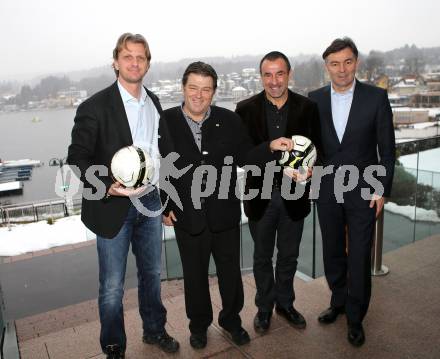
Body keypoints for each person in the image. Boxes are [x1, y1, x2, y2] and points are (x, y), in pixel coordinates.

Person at [160, 61, 291, 349]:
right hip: (186, 215)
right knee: (194, 278)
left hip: (225, 214)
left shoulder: (229, 120)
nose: (198, 95)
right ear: (183, 88)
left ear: (214, 92)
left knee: (230, 274)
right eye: (193, 87)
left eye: (206, 89)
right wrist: (164, 203)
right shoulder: (165, 121)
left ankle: (231, 321)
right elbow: (161, 166)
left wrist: (269, 147)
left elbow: (245, 155)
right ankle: (198, 326)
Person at [67, 33, 179, 358]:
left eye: (140, 57)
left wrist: (167, 199)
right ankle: (114, 346)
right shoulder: (94, 106)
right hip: (112, 206)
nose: (134, 62)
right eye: (127, 56)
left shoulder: (154, 102)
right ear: (115, 61)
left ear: (147, 63)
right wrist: (105, 185)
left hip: (150, 203)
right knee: (113, 286)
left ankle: (155, 330)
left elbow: (162, 153)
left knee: (152, 276)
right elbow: (77, 156)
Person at [308, 37, 395, 347]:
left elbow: (386, 150)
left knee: (358, 256)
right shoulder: (314, 99)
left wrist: (381, 189)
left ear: (356, 62)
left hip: (363, 193)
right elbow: (310, 147)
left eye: (347, 62)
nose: (341, 69)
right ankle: (338, 301)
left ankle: (356, 317)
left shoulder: (376, 97)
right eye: (334, 63)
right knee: (332, 250)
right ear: (327, 67)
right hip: (327, 189)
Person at [235, 51, 322, 334]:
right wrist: (270, 147)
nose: (274, 81)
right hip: (259, 198)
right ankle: (264, 309)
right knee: (261, 258)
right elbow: (242, 157)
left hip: (294, 196)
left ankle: (285, 304)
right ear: (261, 77)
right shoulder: (245, 109)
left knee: (289, 256)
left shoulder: (307, 108)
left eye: (279, 73)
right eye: (268, 74)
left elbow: (318, 151)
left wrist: (311, 171)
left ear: (289, 74)